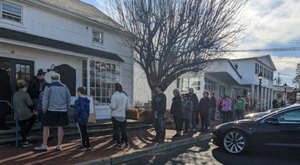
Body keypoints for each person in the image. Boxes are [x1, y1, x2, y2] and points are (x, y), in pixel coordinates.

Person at [34, 72, 71, 152]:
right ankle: (59, 145)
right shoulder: (65, 87)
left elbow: (45, 99)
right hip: (62, 110)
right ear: (59, 78)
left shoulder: (48, 86)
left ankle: (44, 145)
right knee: (60, 128)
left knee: (46, 127)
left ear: (51, 78)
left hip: (51, 110)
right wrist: (67, 107)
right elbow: (68, 99)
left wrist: (44, 109)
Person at [13, 80, 36, 147]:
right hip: (25, 113)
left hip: (17, 113)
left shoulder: (15, 94)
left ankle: (24, 140)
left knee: (22, 125)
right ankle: (25, 134)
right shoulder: (25, 94)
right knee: (33, 118)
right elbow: (30, 104)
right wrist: (34, 110)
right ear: (25, 86)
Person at [110, 83, 129, 149]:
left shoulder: (114, 96)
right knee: (123, 130)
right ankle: (126, 143)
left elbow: (113, 106)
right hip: (123, 115)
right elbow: (127, 107)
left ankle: (118, 144)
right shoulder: (125, 96)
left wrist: (110, 106)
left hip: (115, 115)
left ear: (115, 88)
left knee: (117, 130)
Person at [0, 62, 12, 130]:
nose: (10, 69)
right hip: (4, 96)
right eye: (9, 68)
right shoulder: (5, 75)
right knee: (3, 111)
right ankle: (2, 125)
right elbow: (7, 87)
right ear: (7, 68)